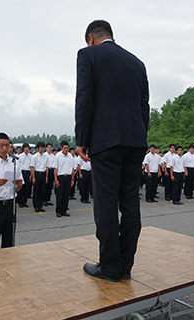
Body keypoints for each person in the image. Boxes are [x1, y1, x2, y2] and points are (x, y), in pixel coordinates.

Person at [75, 20, 149, 282]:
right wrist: (140, 137)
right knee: (130, 203)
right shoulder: (137, 62)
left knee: (105, 204)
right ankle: (125, 266)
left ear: (91, 38)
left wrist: (81, 139)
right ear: (111, 37)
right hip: (135, 140)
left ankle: (109, 267)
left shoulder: (88, 55)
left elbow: (84, 97)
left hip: (106, 139)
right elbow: (144, 106)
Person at [54, 141, 75, 217]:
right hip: (61, 177)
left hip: (68, 177)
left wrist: (72, 179)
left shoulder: (70, 156)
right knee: (60, 194)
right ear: (61, 148)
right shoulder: (58, 156)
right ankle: (58, 211)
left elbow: (72, 168)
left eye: (67, 148)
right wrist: (56, 180)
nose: (66, 149)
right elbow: (55, 169)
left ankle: (64, 210)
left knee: (66, 194)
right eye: (64, 148)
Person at [30, 141, 48, 212]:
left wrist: (46, 177)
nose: (42, 149)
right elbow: (32, 167)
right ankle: (36, 206)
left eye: (43, 147)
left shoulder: (45, 156)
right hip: (37, 174)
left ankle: (40, 205)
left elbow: (46, 167)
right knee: (36, 191)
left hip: (43, 173)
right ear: (38, 148)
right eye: (40, 147)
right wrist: (33, 177)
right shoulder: (34, 156)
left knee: (42, 191)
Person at [17, 143, 32, 208]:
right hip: (21, 172)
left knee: (27, 188)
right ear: (23, 149)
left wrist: (31, 175)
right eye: (25, 148)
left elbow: (32, 166)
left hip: (28, 172)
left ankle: (25, 201)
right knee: (21, 188)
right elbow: (18, 166)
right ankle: (20, 202)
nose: (26, 149)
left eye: (27, 148)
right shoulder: (20, 156)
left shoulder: (31, 156)